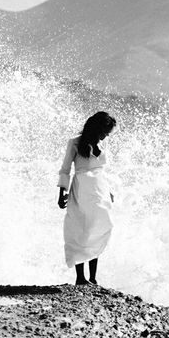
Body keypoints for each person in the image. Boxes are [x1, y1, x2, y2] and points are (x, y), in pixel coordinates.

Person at [57, 111, 116, 285]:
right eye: (105, 132)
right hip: (81, 191)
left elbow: (101, 171)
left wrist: (109, 190)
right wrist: (62, 193)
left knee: (99, 228)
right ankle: (80, 278)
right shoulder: (75, 142)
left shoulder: (102, 145)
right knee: (81, 230)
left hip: (100, 191)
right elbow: (65, 170)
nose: (106, 136)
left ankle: (93, 278)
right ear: (97, 128)